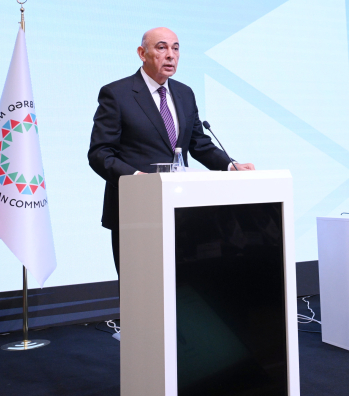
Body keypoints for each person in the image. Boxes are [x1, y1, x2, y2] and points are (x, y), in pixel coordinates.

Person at [88, 27, 254, 273]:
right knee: (141, 286)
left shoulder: (184, 93)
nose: (170, 55)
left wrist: (231, 166)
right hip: (136, 212)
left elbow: (199, 144)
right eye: (162, 47)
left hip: (182, 209)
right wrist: (136, 179)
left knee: (183, 282)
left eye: (175, 48)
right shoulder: (117, 94)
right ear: (142, 53)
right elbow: (100, 153)